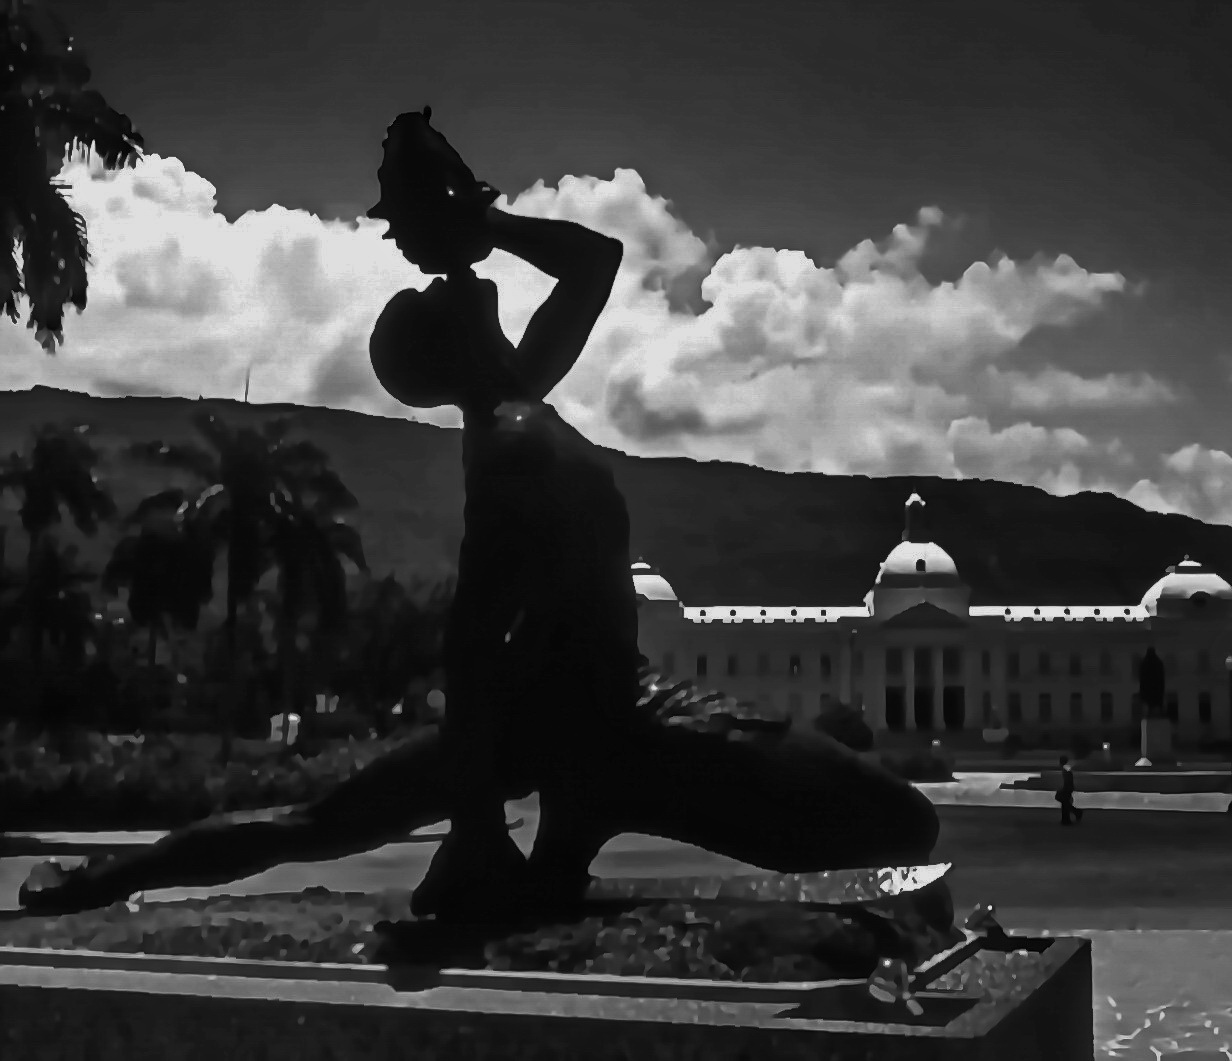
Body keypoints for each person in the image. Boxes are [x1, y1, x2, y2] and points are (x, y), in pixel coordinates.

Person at [17, 108, 939, 923]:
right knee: (321, 822)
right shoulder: (507, 440)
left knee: (897, 825)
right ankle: (94, 883)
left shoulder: (522, 395)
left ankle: (95, 880)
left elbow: (595, 260)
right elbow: (470, 643)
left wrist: (479, 219)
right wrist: (478, 821)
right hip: (590, 726)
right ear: (446, 349)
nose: (451, 283)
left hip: (612, 708)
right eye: (431, 301)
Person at [1057, 754, 1083, 825]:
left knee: (1064, 802)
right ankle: (1068, 818)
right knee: (1065, 802)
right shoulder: (1066, 768)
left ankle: (1067, 818)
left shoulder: (1065, 769)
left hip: (1067, 788)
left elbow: (1067, 780)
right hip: (1068, 788)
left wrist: (1063, 788)